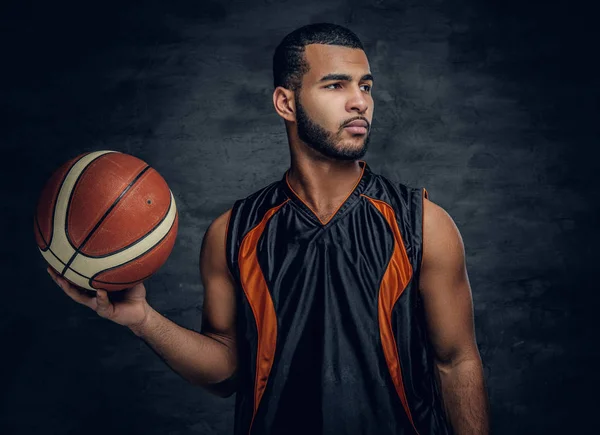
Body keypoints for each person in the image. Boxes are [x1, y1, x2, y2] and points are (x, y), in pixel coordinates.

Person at [48, 23, 490, 435]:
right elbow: (226, 372)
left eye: (365, 86)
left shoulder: (424, 223)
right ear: (286, 102)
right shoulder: (233, 233)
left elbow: (456, 361)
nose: (361, 101)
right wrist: (143, 320)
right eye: (336, 85)